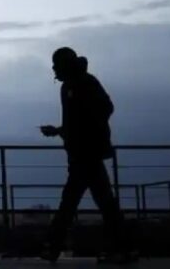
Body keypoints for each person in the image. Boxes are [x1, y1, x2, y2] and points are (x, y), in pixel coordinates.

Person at [38, 47, 134, 263]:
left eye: (56, 65)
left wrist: (75, 130)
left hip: (85, 154)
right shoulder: (72, 85)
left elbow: (103, 109)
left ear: (65, 65)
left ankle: (53, 247)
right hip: (84, 153)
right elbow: (83, 119)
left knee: (71, 203)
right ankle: (121, 248)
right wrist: (62, 130)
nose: (54, 69)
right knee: (101, 203)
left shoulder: (83, 83)